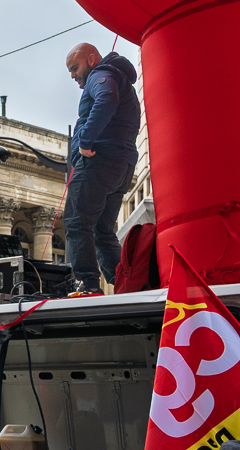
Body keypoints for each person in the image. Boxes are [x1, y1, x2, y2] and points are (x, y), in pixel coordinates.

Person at [64, 42, 141, 293]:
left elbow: (106, 99)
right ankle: (125, 286)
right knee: (102, 231)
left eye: (75, 67)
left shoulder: (102, 75)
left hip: (99, 162)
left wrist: (85, 141)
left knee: (78, 223)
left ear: (92, 58)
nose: (73, 75)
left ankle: (87, 284)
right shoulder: (119, 78)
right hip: (121, 166)